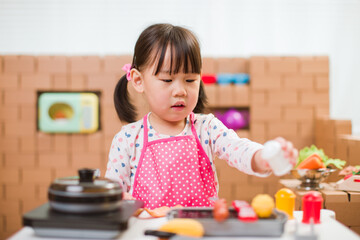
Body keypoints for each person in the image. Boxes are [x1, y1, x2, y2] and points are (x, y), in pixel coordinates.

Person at [105, 23, 298, 209]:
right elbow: (111, 195)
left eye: (190, 79)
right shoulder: (128, 139)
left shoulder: (206, 128)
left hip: (200, 230)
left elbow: (238, 149)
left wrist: (263, 157)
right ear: (139, 80)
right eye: (167, 80)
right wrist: (120, 200)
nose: (180, 90)